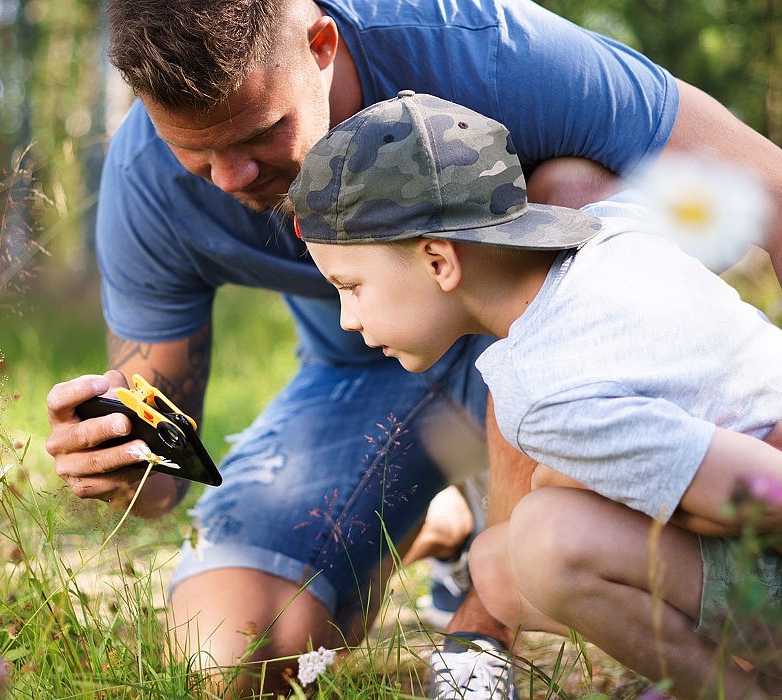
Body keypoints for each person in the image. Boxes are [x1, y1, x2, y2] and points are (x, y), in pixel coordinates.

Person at [44, 0, 782, 696]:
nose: (231, 178)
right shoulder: (144, 185)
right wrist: (120, 465)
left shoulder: (485, 47)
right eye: (197, 154)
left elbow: (770, 186)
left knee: (569, 186)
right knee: (227, 654)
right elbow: (162, 458)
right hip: (368, 374)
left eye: (256, 133)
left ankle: (480, 627)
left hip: (557, 328)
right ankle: (446, 515)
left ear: (320, 46)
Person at [288, 90, 782, 698]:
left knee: (546, 542)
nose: (347, 319)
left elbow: (766, 493)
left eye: (351, 285)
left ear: (439, 260)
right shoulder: (615, 227)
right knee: (500, 558)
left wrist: (671, 502)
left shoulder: (543, 389)